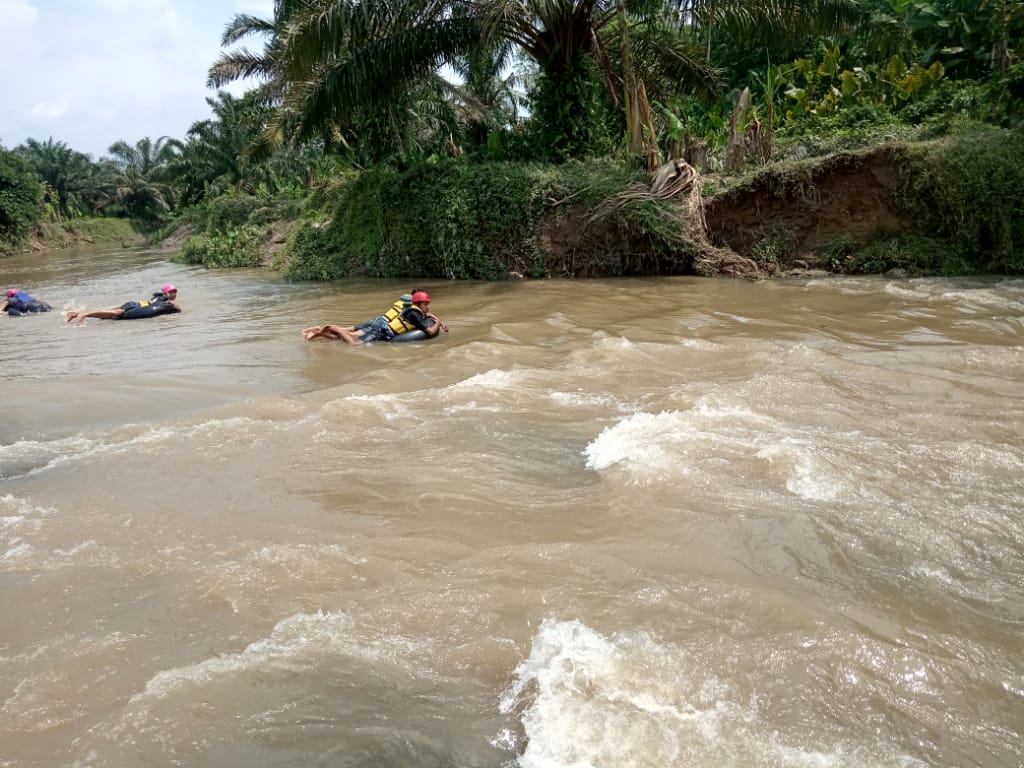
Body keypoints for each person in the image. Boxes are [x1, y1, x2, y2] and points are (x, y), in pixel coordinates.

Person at [303, 290, 448, 344]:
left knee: (346, 336)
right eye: (426, 304)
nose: (428, 307)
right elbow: (430, 331)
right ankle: (334, 328)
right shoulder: (414, 314)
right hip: (381, 330)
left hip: (379, 323)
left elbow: (426, 315)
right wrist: (438, 322)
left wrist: (438, 322)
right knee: (353, 342)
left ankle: (319, 333)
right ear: (417, 303)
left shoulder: (408, 308)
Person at [65, 284, 181, 323]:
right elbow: (174, 306)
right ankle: (85, 314)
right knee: (115, 313)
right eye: (172, 291)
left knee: (108, 316)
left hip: (135, 306)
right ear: (166, 293)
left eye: (175, 291)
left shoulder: (158, 298)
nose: (174, 293)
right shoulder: (164, 299)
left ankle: (75, 314)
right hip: (134, 306)